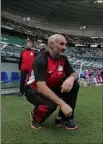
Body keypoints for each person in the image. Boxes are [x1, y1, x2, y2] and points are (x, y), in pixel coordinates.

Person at [25, 34, 80, 130]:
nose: (65, 48)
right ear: (51, 44)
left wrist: (71, 79)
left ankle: (62, 119)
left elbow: (75, 74)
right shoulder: (41, 59)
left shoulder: (63, 59)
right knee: (51, 106)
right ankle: (36, 115)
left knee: (74, 84)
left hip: (50, 86)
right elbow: (41, 87)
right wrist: (62, 104)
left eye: (65, 45)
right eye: (61, 44)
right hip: (33, 90)